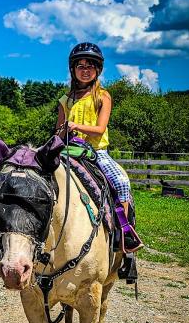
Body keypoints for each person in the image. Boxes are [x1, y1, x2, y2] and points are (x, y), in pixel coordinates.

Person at [56, 42, 142, 252]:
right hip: (68, 150)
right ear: (73, 69)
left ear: (98, 69)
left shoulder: (103, 96)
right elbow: (57, 132)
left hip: (97, 153)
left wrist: (76, 125)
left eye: (90, 66)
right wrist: (64, 131)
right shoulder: (65, 100)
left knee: (121, 183)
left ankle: (124, 233)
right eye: (80, 66)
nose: (85, 71)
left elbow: (100, 129)